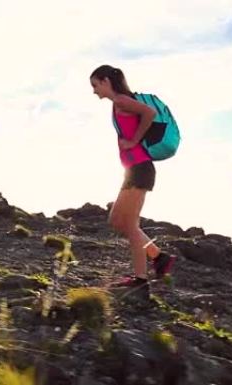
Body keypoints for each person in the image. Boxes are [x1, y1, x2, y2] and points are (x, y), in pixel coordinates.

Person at [89, 64, 176, 297]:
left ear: (106, 80)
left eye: (95, 85)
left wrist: (134, 141)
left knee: (129, 224)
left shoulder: (122, 101)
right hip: (134, 169)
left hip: (139, 169)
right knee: (117, 220)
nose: (95, 91)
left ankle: (140, 280)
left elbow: (150, 113)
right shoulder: (119, 103)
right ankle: (159, 257)